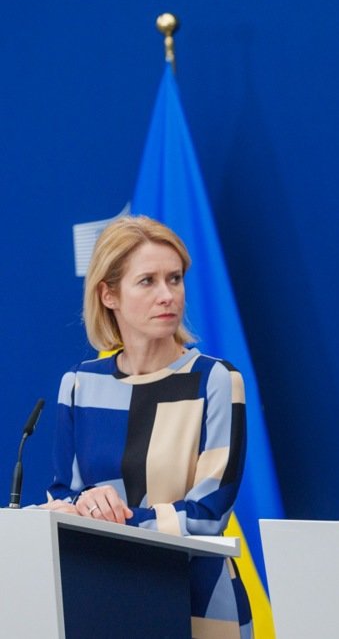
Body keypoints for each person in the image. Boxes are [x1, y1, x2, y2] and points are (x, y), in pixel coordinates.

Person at [40, 215, 252, 638]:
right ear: (108, 294)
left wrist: (113, 519)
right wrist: (81, 508)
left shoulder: (215, 380)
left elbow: (208, 515)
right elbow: (63, 497)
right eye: (148, 281)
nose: (167, 295)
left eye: (174, 279)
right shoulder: (80, 385)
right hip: (101, 593)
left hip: (198, 602)